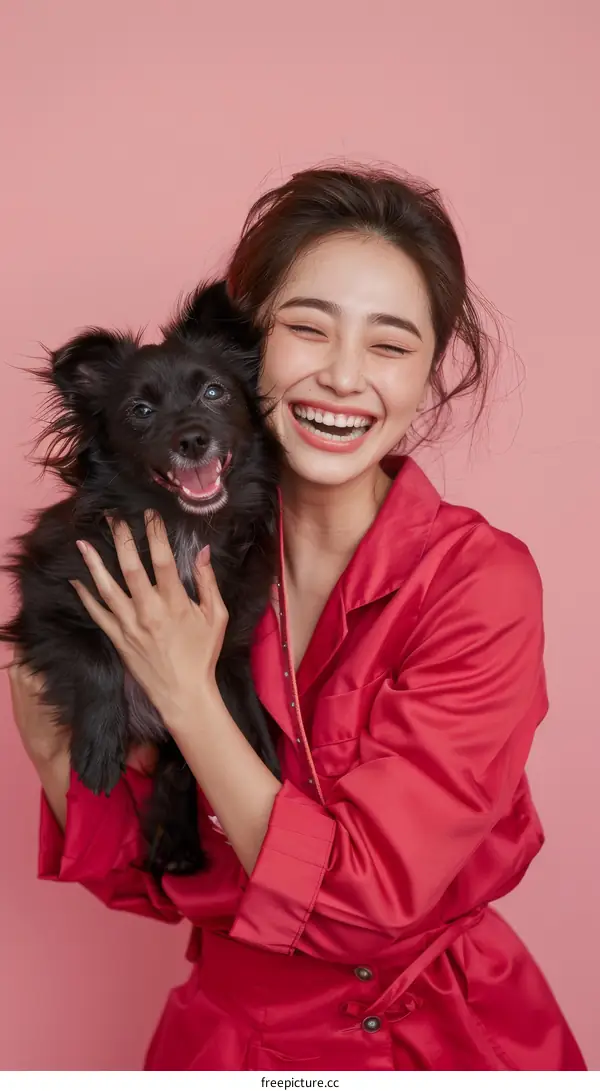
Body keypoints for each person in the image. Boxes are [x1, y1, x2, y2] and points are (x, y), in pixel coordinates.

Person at [9, 165, 586, 1072]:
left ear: (432, 373)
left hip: (433, 1040)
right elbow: (157, 881)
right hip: (226, 1039)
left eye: (390, 346)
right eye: (307, 329)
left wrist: (186, 694)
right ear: (245, 353)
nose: (344, 377)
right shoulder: (184, 565)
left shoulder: (479, 583)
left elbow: (370, 898)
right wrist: (51, 745)